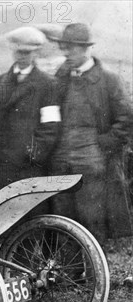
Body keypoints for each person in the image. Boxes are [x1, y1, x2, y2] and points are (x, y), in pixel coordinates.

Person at [49, 23, 133, 240]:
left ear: (86, 49)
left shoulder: (108, 79)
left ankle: (95, 273)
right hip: (62, 164)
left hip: (92, 167)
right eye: (64, 47)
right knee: (64, 225)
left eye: (72, 48)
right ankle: (70, 275)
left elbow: (126, 119)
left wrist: (102, 145)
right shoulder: (62, 76)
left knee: (92, 224)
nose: (66, 53)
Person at [0, 27, 61, 202]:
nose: (21, 56)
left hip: (25, 169)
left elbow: (50, 129)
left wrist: (31, 156)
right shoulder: (1, 80)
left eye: (26, 52)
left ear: (36, 53)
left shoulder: (47, 85)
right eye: (18, 52)